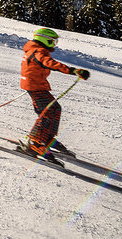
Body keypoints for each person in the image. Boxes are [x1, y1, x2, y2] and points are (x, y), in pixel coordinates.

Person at [19, 27, 90, 163]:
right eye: (52, 42)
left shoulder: (33, 50)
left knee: (54, 109)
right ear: (43, 40)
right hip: (35, 86)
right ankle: (36, 143)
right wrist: (74, 71)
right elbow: (51, 64)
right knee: (48, 112)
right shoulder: (38, 51)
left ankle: (46, 137)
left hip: (35, 85)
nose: (54, 45)